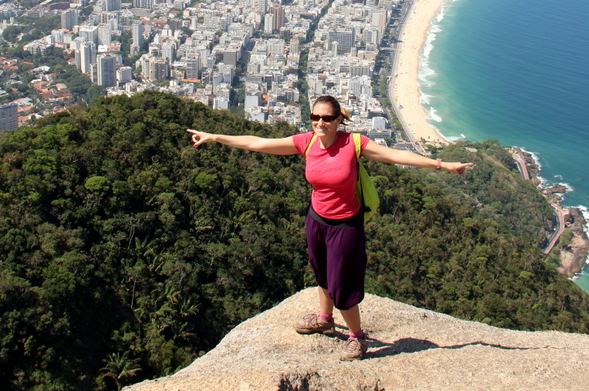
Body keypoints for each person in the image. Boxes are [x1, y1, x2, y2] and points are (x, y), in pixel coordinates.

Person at [187, 94, 473, 361]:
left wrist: (442, 165)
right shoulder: (307, 142)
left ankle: (357, 337)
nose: (320, 123)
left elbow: (396, 156)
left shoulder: (355, 144)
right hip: (317, 220)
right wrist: (216, 137)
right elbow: (258, 142)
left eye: (326, 118)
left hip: (346, 225)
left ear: (338, 120)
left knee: (341, 284)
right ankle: (325, 321)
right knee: (321, 272)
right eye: (315, 117)